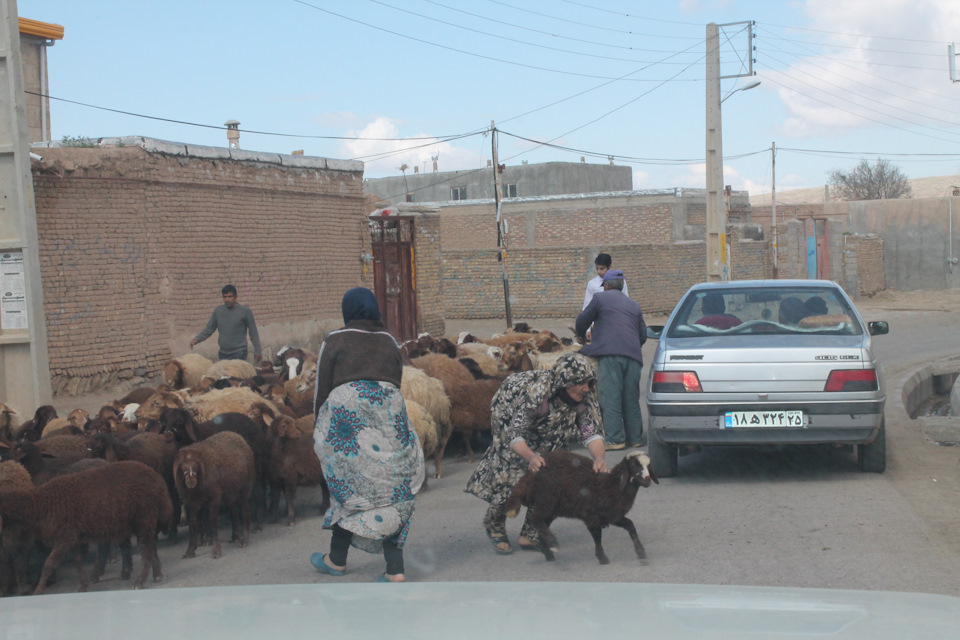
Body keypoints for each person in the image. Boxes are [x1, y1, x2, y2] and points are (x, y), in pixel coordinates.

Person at [309, 287, 425, 583]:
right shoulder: (390, 341)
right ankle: (394, 568)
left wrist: (320, 430)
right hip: (388, 416)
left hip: (346, 419)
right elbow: (396, 383)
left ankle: (337, 560)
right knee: (390, 489)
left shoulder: (334, 340)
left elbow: (322, 387)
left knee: (349, 489)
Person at [465, 352, 608, 555]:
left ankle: (530, 533)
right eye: (582, 383)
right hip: (515, 434)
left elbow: (590, 432)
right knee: (510, 485)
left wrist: (599, 459)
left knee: (551, 483)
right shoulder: (538, 394)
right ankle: (494, 525)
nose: (586, 388)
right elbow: (515, 432)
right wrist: (530, 457)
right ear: (566, 382)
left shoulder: (583, 398)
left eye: (589, 382)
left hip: (552, 436)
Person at [575, 269, 647, 451]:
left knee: (610, 396)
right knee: (631, 397)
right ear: (621, 286)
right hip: (633, 356)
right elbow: (643, 335)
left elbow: (582, 321)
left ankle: (615, 439)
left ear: (606, 286)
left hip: (611, 354)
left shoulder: (600, 299)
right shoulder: (634, 305)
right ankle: (636, 438)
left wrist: (582, 336)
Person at [190, 284, 262, 362]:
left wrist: (258, 350)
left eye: (230, 296)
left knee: (235, 373)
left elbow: (253, 332)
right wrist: (197, 339)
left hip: (239, 353)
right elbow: (209, 329)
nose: (227, 299)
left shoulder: (245, 311)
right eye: (225, 297)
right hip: (223, 353)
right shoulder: (218, 311)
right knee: (225, 374)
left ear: (235, 297)